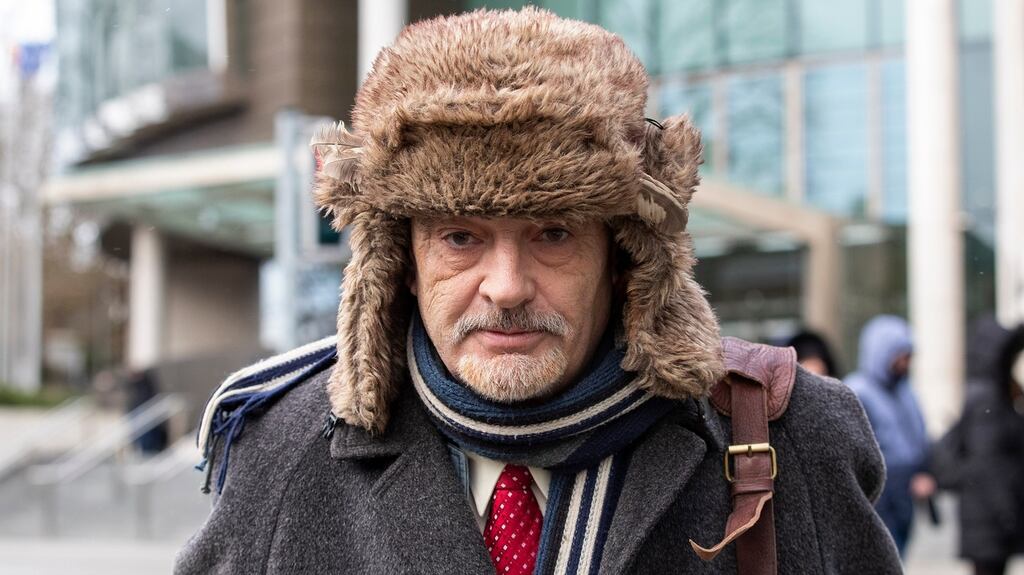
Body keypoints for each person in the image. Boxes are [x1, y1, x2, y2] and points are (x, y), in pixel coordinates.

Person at [175, 9, 900, 574]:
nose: (507, 286)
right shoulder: (283, 452)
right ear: (401, 258)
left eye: (553, 232)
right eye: (460, 237)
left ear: (622, 253)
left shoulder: (788, 435)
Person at [932, 317, 1024, 575]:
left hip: (990, 517)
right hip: (989, 519)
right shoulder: (988, 399)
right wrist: (1006, 512)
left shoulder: (997, 393)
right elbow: (987, 462)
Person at [844, 314, 935, 556]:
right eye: (900, 355)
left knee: (899, 554)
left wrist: (924, 471)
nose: (906, 362)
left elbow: (919, 434)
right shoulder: (857, 391)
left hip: (906, 488)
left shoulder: (905, 391)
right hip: (879, 492)